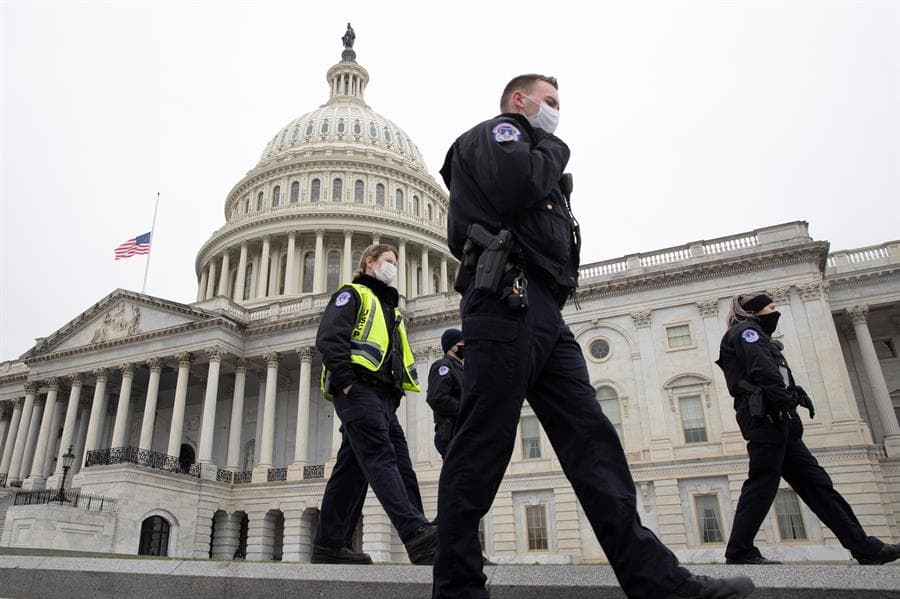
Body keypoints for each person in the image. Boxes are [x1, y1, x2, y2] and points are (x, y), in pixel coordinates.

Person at [432, 73, 754, 599]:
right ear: (520, 100)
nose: (556, 111)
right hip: (503, 300)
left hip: (543, 313)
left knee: (594, 443)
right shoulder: (499, 136)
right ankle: (457, 588)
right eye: (550, 101)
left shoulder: (534, 153)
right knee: (482, 444)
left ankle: (659, 584)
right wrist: (554, 146)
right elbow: (518, 190)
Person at [716, 292, 900, 566]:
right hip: (767, 420)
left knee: (817, 485)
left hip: (778, 421)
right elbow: (763, 371)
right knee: (763, 484)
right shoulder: (747, 332)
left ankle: (864, 547)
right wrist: (784, 404)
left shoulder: (758, 335)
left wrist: (795, 393)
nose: (774, 312)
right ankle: (739, 551)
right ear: (755, 312)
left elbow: (773, 373)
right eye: (770, 307)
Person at [313, 243, 437, 565]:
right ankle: (417, 535)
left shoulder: (392, 310)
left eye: (395, 263)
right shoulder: (352, 294)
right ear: (369, 262)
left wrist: (394, 396)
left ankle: (328, 546)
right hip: (358, 391)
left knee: (356, 471)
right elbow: (329, 338)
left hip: (383, 399)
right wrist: (347, 381)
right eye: (389, 261)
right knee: (382, 458)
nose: (393, 267)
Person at [426, 328, 464, 458]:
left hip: (463, 431)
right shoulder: (443, 366)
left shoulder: (463, 369)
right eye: (463, 343)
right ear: (453, 346)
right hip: (451, 432)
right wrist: (464, 409)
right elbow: (437, 398)